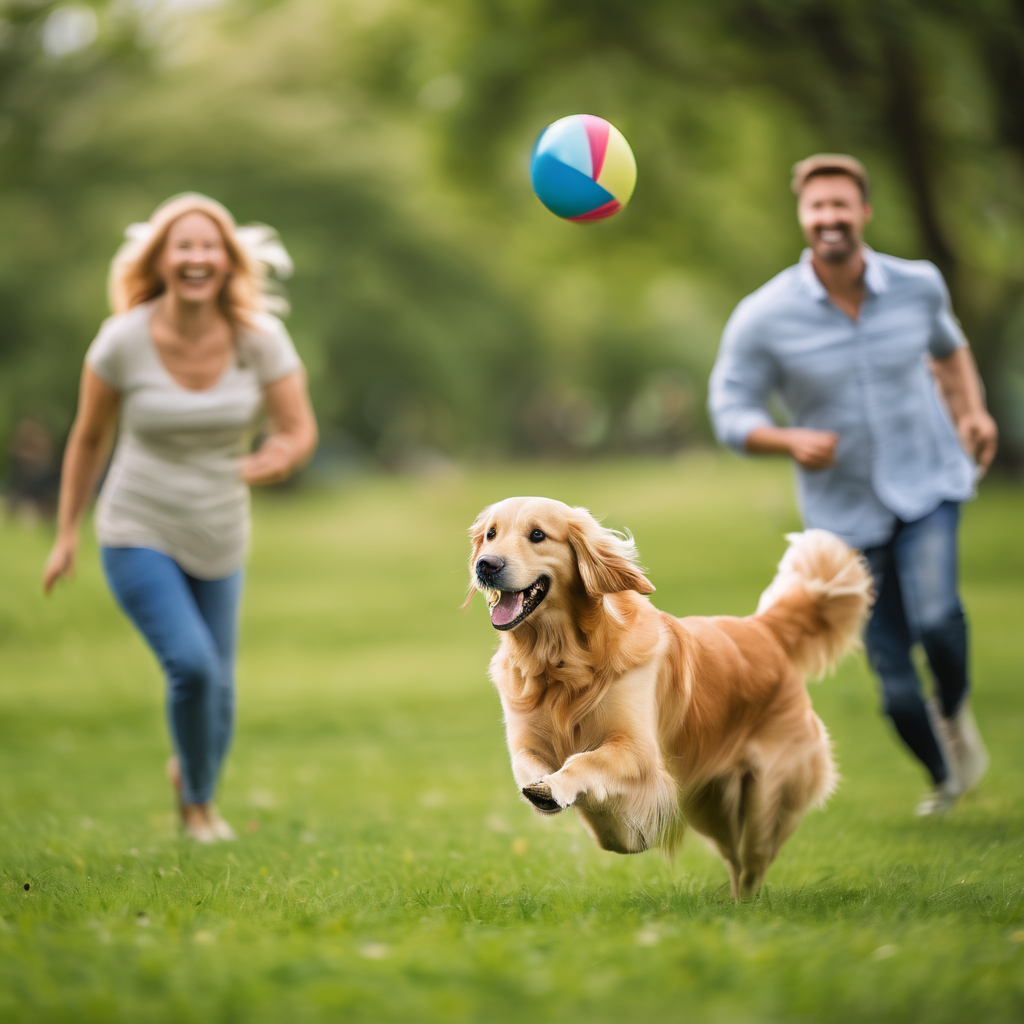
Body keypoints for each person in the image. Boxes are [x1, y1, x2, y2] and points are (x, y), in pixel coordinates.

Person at [708, 154, 998, 815]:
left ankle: (954, 713)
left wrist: (972, 411)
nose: (830, 217)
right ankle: (945, 777)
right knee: (894, 683)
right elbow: (730, 411)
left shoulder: (918, 286)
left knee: (939, 618)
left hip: (928, 482)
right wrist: (785, 440)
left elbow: (950, 350)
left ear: (864, 213)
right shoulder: (765, 315)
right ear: (803, 219)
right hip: (844, 516)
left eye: (842, 205)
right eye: (818, 208)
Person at [43, 194, 318, 842]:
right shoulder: (123, 341)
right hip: (138, 527)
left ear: (226, 261)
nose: (197, 257)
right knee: (191, 668)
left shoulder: (259, 339)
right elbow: (87, 439)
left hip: (220, 532)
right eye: (183, 246)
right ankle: (197, 808)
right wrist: (64, 534)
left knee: (218, 692)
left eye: (209, 246)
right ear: (161, 260)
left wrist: (277, 458)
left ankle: (191, 776)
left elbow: (298, 427)